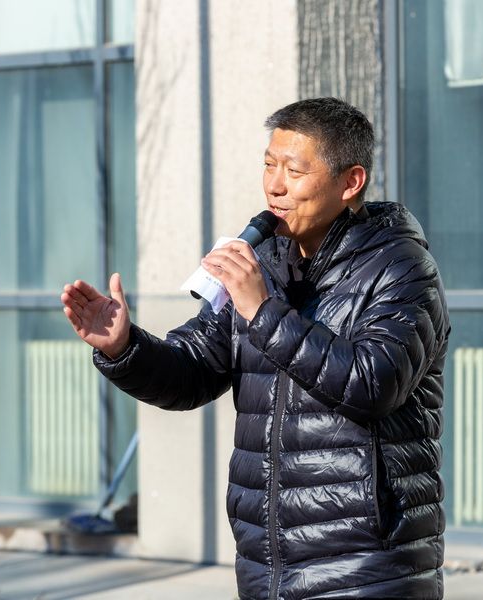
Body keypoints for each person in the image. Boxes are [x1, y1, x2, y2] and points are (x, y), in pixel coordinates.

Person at [61, 97, 450, 600]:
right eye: (269, 165)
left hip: (365, 568)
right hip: (266, 566)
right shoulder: (263, 263)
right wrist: (123, 346)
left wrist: (263, 311)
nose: (275, 185)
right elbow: (193, 371)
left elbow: (373, 384)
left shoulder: (402, 268)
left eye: (294, 170)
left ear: (350, 182)